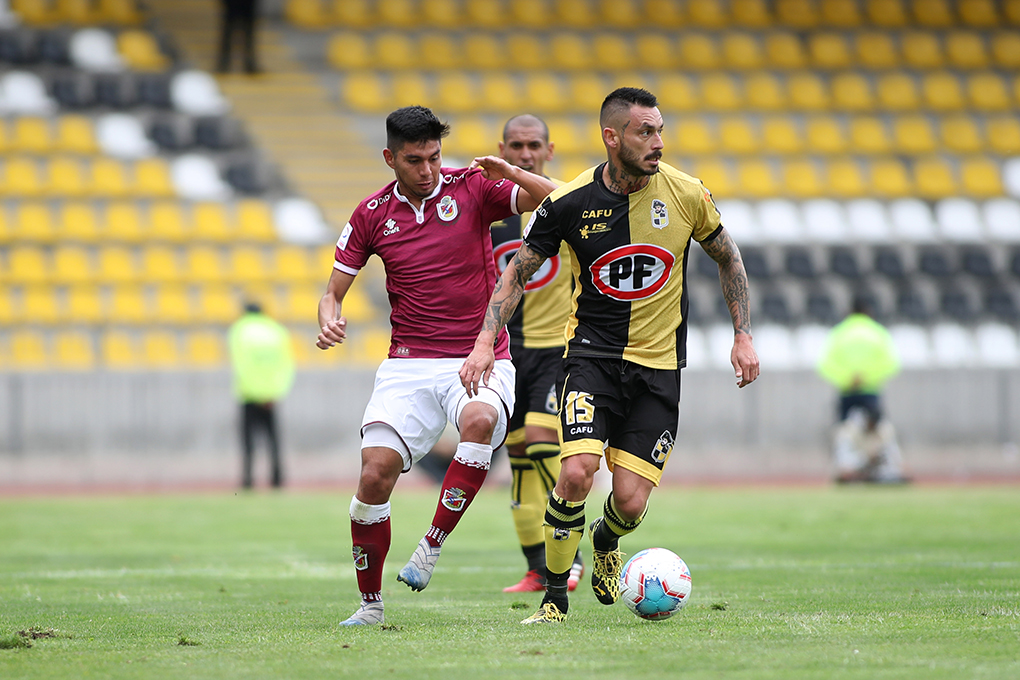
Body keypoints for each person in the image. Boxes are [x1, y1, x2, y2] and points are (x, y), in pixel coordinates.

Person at [460, 87, 761, 624]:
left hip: (658, 369)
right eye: (646, 132)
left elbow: (728, 256)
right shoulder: (570, 202)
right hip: (591, 360)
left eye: (660, 130)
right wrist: (485, 342)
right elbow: (518, 270)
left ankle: (604, 540)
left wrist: (743, 334)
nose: (658, 143)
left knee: (629, 504)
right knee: (573, 473)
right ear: (612, 136)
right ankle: (554, 598)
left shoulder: (687, 194)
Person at [316, 105, 557, 626]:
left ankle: (431, 544)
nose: (427, 170)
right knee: (374, 474)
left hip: (479, 351)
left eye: (433, 157)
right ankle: (371, 606)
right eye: (414, 160)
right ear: (389, 158)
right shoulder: (370, 214)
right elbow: (333, 292)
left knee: (480, 420)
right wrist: (330, 318)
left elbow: (558, 198)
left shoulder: (470, 188)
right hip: (406, 364)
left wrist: (512, 172)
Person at [490, 114, 584, 594]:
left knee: (546, 441)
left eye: (533, 146)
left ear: (549, 150)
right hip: (506, 352)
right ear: (502, 148)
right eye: (516, 146)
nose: (524, 153)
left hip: (556, 347)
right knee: (519, 458)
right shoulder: (489, 212)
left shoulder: (568, 201)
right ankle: (536, 567)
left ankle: (573, 555)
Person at [817, 295, 908, 484]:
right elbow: (891, 363)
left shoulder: (839, 333)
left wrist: (849, 379)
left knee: (844, 434)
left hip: (847, 392)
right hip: (870, 391)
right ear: (868, 312)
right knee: (879, 432)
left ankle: (845, 468)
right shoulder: (877, 332)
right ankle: (887, 466)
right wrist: (866, 377)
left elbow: (826, 365)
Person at [228, 301, 295, 488]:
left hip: (250, 395)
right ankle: (277, 479)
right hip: (272, 396)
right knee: (273, 440)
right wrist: (274, 392)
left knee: (248, 441)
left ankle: (248, 480)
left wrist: (254, 391)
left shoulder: (240, 330)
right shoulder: (276, 331)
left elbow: (241, 364)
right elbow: (286, 364)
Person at [217, 0, 260, 74]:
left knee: (248, 33)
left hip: (248, 4)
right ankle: (224, 62)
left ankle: (249, 62)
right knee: (228, 32)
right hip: (232, 5)